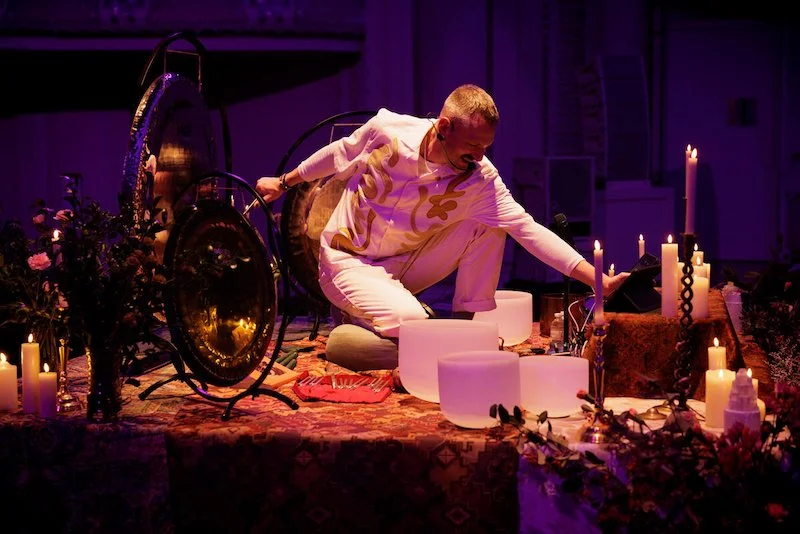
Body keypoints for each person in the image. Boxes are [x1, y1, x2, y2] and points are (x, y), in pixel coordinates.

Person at [256, 84, 628, 370]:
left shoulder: (480, 179)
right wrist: (284, 181)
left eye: (486, 147)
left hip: (406, 264)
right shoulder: (388, 130)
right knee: (413, 320)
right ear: (444, 127)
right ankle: (401, 326)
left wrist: (595, 279)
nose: (480, 156)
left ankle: (460, 327)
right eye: (473, 145)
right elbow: (339, 154)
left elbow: (528, 229)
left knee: (491, 225)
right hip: (347, 260)